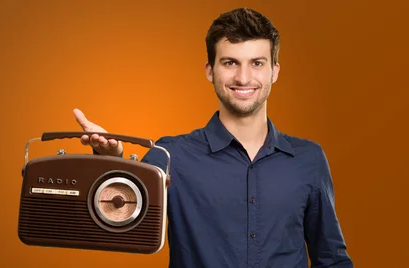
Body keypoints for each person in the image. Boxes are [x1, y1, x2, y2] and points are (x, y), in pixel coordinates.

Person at [72, 7, 353, 268]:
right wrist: (110, 163)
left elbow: (331, 259)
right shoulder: (170, 155)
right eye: (230, 62)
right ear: (210, 70)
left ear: (274, 71)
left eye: (257, 63)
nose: (244, 78)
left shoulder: (309, 159)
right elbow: (119, 221)